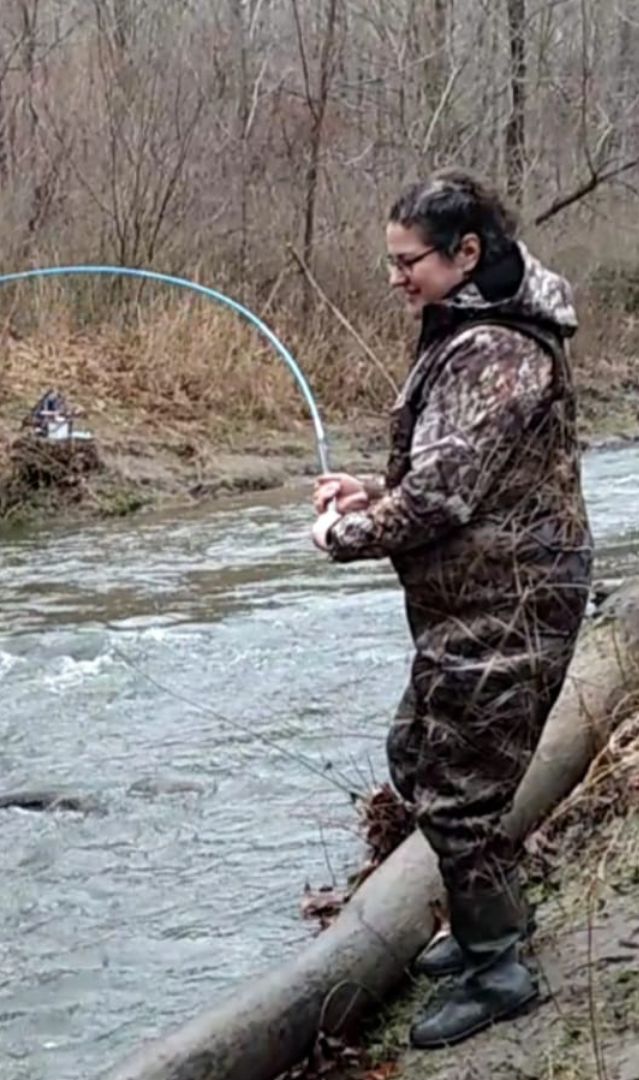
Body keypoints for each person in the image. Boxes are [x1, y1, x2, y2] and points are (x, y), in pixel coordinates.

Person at [310, 170, 593, 1049]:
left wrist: (341, 534)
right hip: (473, 601)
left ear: (466, 253)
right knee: (417, 753)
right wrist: (371, 489)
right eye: (391, 261)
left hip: (511, 603)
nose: (395, 277)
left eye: (409, 262)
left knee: (458, 790)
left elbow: (439, 500)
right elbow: (453, 473)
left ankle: (500, 969)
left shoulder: (494, 349)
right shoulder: (465, 326)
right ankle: (490, 920)